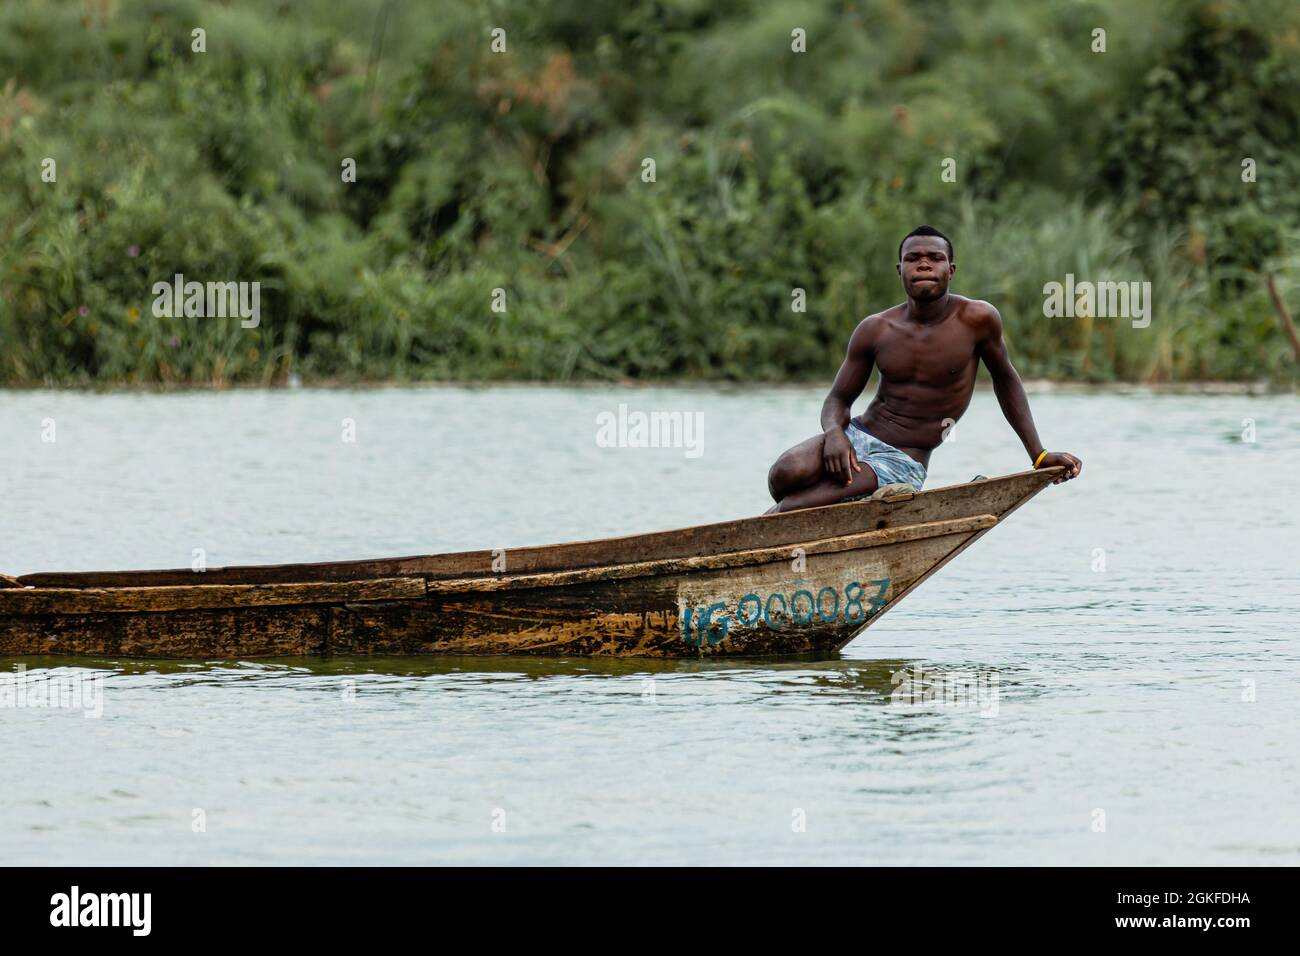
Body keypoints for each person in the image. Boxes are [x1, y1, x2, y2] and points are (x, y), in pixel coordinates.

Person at [766, 225, 1082, 513]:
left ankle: (860, 497)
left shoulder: (977, 319)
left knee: (793, 507)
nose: (924, 264)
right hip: (858, 436)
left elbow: (1006, 380)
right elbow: (837, 400)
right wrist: (835, 434)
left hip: (903, 460)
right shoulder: (876, 329)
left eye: (935, 258)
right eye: (913, 258)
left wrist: (1038, 455)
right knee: (784, 475)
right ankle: (850, 501)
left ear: (951, 270)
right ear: (899, 270)